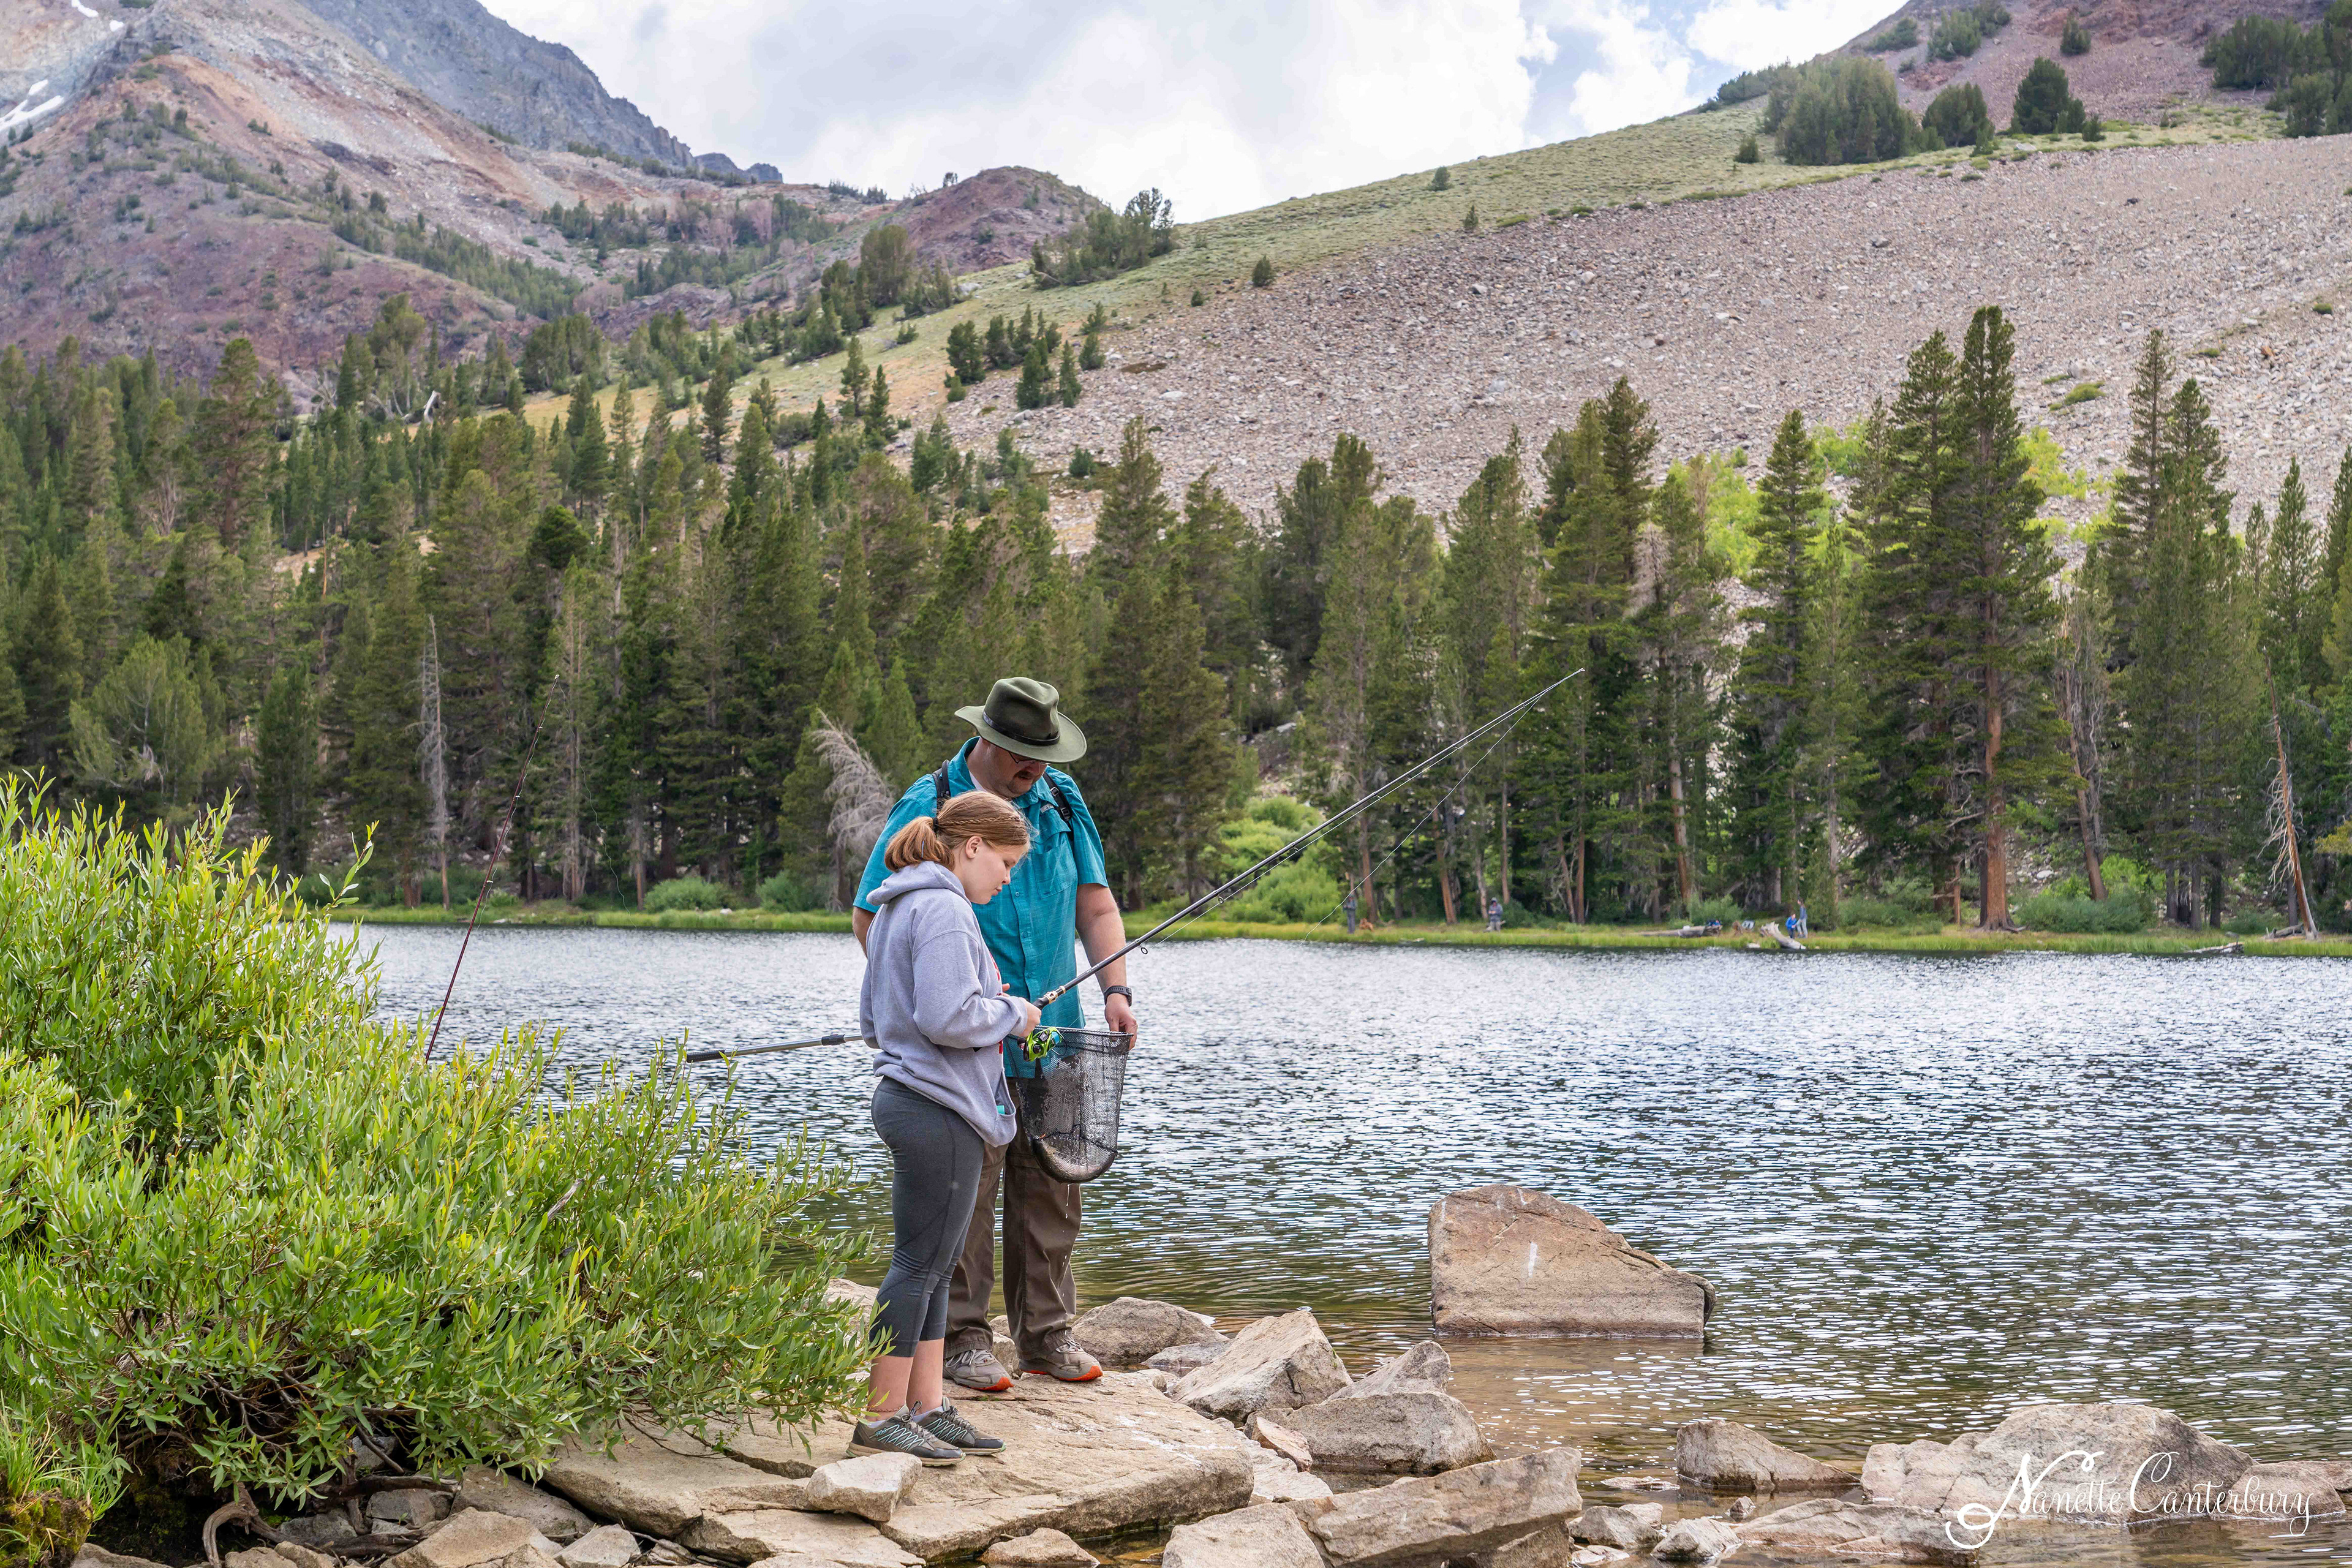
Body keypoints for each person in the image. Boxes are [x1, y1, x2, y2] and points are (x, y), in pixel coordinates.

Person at [854, 677, 1137, 1390]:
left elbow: (1096, 908)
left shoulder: (1063, 804)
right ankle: (963, 1340)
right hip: (965, 1047)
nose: (1032, 768)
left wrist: (1117, 990)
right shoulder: (932, 802)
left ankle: (1046, 1334)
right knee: (963, 1193)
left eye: (1042, 754)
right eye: (1019, 754)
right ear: (987, 741)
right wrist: (932, 1006)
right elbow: (873, 918)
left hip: (1056, 1034)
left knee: (1054, 1185)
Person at [852, 791, 1038, 1464]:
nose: (1008, 877)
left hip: (913, 1098)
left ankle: (926, 1405)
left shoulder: (898, 902)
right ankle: (880, 1416)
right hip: (937, 1109)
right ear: (974, 847)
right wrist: (1014, 1014)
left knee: (935, 1268)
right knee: (916, 1266)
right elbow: (948, 1016)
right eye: (1007, 862)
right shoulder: (946, 909)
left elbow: (876, 1019)